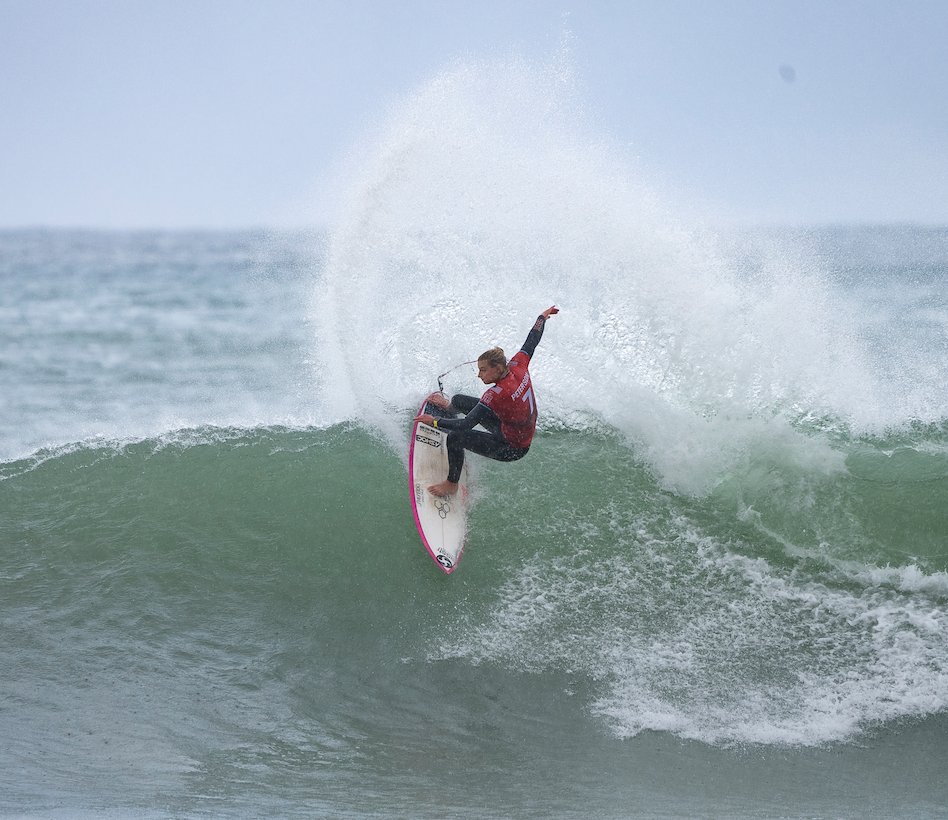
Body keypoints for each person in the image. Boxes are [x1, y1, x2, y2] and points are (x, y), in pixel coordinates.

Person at [414, 306, 559, 497]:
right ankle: (449, 408)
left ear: (498, 368)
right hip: (510, 427)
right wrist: (541, 317)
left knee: (455, 437)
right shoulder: (518, 365)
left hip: (512, 447)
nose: (479, 375)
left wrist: (433, 421)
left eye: (483, 370)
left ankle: (451, 485)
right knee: (458, 400)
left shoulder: (496, 394)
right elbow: (532, 341)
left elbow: (465, 424)